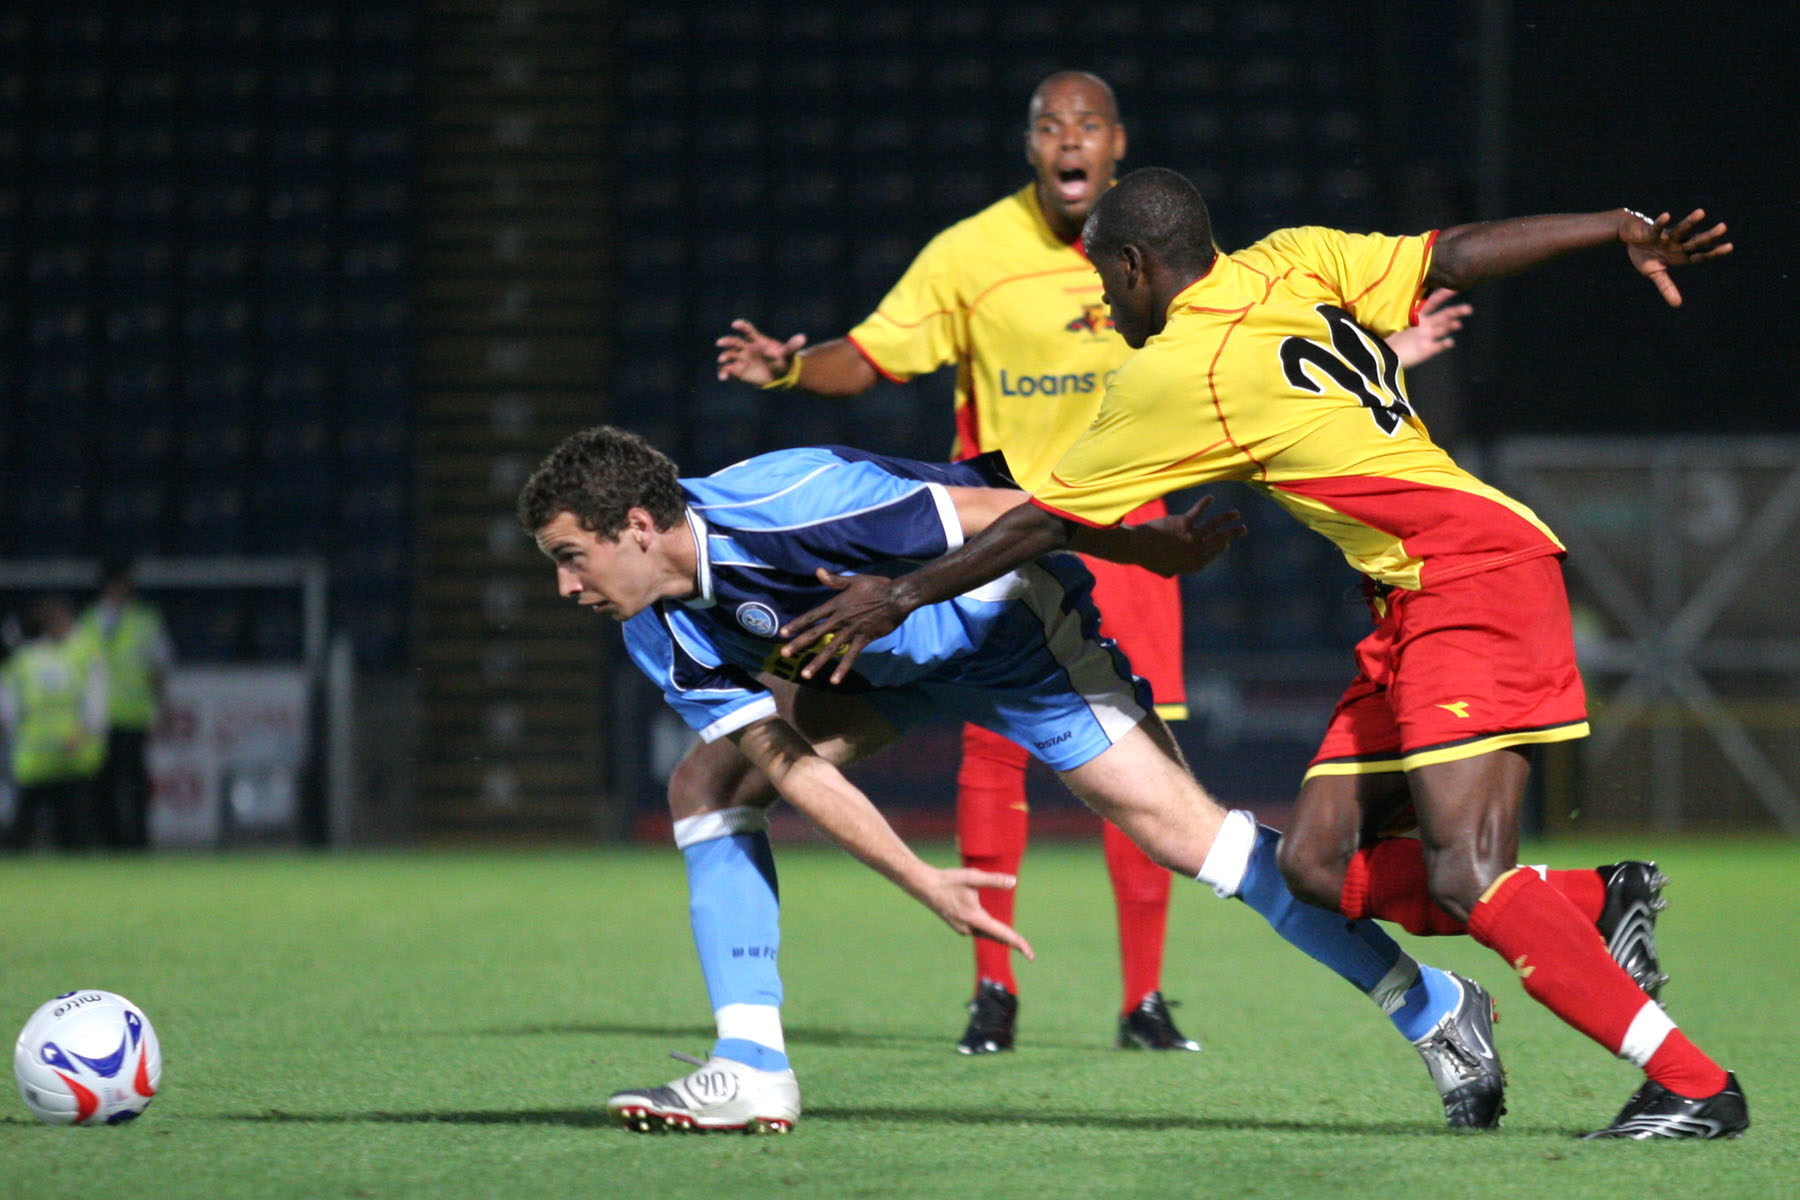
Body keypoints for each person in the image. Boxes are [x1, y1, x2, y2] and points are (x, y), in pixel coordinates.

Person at [776, 168, 1744, 1141]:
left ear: (1135, 265)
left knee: (1466, 873)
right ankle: (1592, 898)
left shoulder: (1178, 370)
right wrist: (1610, 224)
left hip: (1469, 574)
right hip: (1410, 598)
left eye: (1108, 289)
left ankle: (1693, 1084)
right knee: (1318, 865)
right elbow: (1452, 253)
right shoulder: (1291, 259)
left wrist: (896, 593)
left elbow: (1038, 523)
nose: (1106, 309)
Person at [715, 69, 1471, 1055]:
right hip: (1000, 535)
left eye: (1086, 124)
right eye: (1047, 126)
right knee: (994, 752)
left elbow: (1266, 347)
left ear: (1117, 145)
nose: (1067, 139)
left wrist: (1385, 353)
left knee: (1144, 764)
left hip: (1129, 537)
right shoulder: (971, 254)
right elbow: (871, 355)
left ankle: (1143, 1001)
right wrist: (789, 364)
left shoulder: (1162, 253)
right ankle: (995, 995)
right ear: (1031, 146)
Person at [520, 425, 1525, 1135]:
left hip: (1010, 632)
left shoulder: (792, 502)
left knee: (1195, 841)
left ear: (641, 526)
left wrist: (1143, 548)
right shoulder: (655, 624)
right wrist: (925, 881)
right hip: (877, 670)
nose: (565, 588)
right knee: (711, 788)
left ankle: (1433, 1005)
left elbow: (1011, 511)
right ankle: (750, 1069)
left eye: (572, 558)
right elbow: (785, 765)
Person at [0, 594, 110, 851]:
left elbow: (96, 703)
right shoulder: (26, 657)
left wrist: (83, 734)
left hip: (74, 756)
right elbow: (10, 702)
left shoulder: (85, 651)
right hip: (34, 759)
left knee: (74, 832)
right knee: (20, 831)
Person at [78, 556, 173, 850]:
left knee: (134, 784)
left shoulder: (145, 620)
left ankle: (138, 842)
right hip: (99, 718)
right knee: (101, 784)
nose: (123, 588)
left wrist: (162, 707)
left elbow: (159, 668)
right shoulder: (88, 620)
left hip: (133, 716)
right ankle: (110, 842)